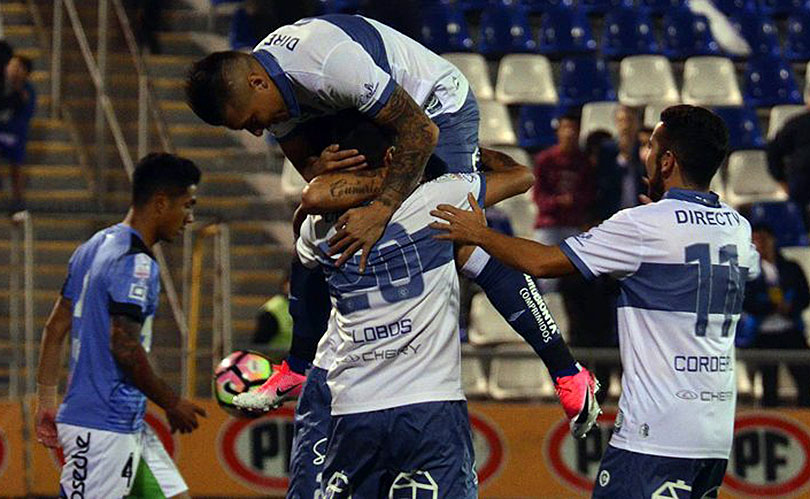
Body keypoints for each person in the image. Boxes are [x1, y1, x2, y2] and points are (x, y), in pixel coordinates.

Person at [185, 14, 598, 430]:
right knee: (312, 227)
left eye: (253, 121)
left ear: (258, 83)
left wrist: (381, 209)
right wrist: (321, 167)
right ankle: (295, 367)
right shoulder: (272, 89)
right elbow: (313, 177)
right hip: (373, 116)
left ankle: (566, 371)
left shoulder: (327, 63)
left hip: (434, 110)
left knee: (458, 238)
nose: (258, 133)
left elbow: (421, 132)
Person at [431, 104, 760, 498]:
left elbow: (541, 262)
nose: (646, 155)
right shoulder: (738, 228)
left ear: (668, 161)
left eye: (652, 147)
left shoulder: (642, 225)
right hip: (714, 436)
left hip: (653, 438)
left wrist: (479, 233)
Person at [239, 121, 542, 498]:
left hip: (352, 405)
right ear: (391, 159)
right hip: (429, 403)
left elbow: (307, 253)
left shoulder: (317, 228)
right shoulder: (436, 201)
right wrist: (450, 151)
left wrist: (297, 362)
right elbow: (520, 176)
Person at [33, 153, 206, 498]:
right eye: (186, 206)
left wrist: (46, 400)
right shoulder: (137, 264)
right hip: (100, 426)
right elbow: (124, 346)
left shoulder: (94, 246)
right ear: (160, 203)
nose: (189, 218)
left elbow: (54, 328)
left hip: (125, 420)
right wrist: (171, 402)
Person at [740, 223, 810, 407]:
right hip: (763, 332)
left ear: (773, 240)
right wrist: (771, 306)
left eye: (764, 239)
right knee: (769, 382)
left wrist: (790, 307)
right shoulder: (749, 271)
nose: (761, 244)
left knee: (804, 378)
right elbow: (746, 301)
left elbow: (804, 295)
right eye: (756, 240)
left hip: (790, 329)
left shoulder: (790, 267)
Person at [532, 111, 593, 246]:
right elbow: (538, 196)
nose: (569, 133)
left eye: (573, 129)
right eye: (566, 128)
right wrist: (557, 201)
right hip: (548, 224)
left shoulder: (584, 161)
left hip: (573, 223)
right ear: (558, 131)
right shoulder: (545, 160)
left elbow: (589, 194)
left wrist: (574, 200)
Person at [0, 54, 35, 212]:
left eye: (16, 67)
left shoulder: (27, 91)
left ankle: (18, 200)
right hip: (2, 129)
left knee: (16, 160)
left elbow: (25, 114)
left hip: (14, 133)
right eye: (10, 65)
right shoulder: (3, 85)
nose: (11, 69)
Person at [767, 105, 810, 227]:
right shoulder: (797, 124)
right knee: (799, 222)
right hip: (802, 182)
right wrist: (780, 178)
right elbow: (774, 151)